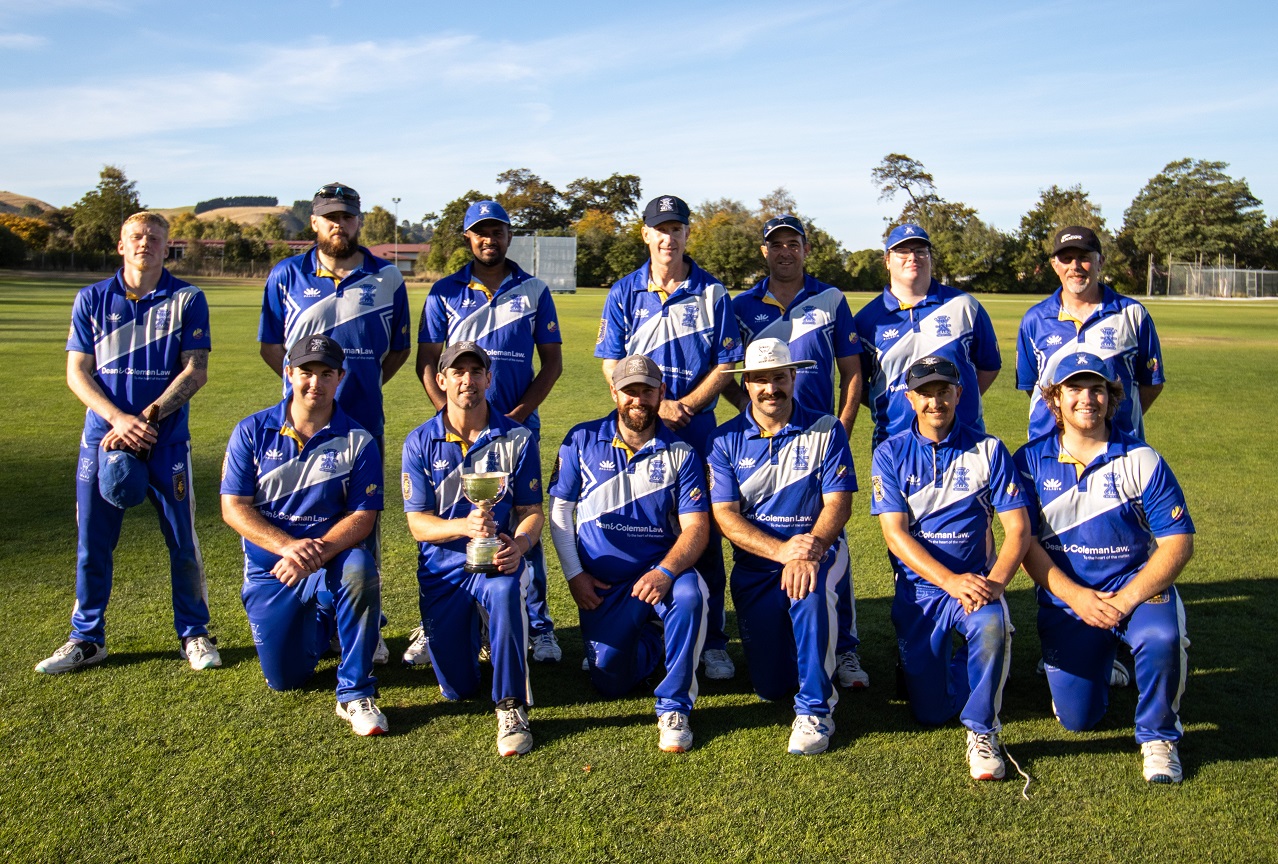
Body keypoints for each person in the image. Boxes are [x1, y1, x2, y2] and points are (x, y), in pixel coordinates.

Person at [37, 211, 219, 675]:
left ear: (167, 246)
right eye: (136, 237)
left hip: (166, 439)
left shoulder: (187, 298)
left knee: (182, 542)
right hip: (103, 440)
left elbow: (195, 369)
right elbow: (77, 371)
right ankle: (87, 638)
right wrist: (119, 419)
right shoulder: (92, 299)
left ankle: (194, 634)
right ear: (121, 245)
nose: (145, 244)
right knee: (92, 543)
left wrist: (147, 418)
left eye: (154, 238)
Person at [1014, 352, 1194, 784]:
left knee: (1161, 636)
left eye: (1097, 388)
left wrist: (1127, 599)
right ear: (1055, 399)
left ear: (1112, 397)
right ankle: (1106, 660)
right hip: (1071, 600)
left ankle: (1158, 737)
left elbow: (1178, 542)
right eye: (1074, 388)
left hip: (1134, 591)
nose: (1086, 398)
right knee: (1078, 719)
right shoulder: (1028, 461)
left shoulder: (1141, 457)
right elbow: (1026, 543)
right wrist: (1076, 596)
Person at [258, 183, 411, 664]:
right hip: (299, 428)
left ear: (358, 221)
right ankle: (314, 616)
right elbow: (271, 348)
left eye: (346, 216)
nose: (338, 225)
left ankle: (369, 627)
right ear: (315, 222)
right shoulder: (285, 274)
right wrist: (306, 393)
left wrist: (359, 387)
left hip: (363, 426)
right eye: (329, 217)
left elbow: (400, 348)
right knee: (305, 516)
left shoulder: (386, 277)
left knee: (363, 529)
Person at [595, 194, 744, 680]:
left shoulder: (713, 292)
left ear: (686, 234)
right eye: (660, 228)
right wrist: (652, 406)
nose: (668, 237)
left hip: (696, 429)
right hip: (640, 426)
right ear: (646, 234)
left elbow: (726, 365)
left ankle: (714, 639)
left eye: (677, 228)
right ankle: (641, 623)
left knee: (705, 528)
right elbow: (611, 362)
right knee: (641, 523)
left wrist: (687, 405)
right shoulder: (624, 292)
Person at [410, 199, 564, 667]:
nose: (488, 239)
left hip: (516, 429)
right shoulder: (443, 292)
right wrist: (449, 416)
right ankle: (442, 616)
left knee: (522, 523)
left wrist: (514, 419)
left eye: (496, 231)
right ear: (467, 237)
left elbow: (552, 364)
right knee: (456, 520)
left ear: (508, 235)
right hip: (457, 431)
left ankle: (537, 625)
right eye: (480, 232)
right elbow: (426, 363)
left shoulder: (534, 289)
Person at [870, 355, 1030, 780]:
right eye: (925, 393)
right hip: (921, 593)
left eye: (944, 391)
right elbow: (895, 536)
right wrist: (949, 580)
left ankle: (983, 730)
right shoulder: (890, 453)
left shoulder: (988, 449)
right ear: (910, 399)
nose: (935, 401)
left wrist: (995, 583)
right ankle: (976, 667)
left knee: (992, 625)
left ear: (960, 394)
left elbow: (1018, 528)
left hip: (976, 586)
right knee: (930, 712)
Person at [727, 213, 869, 691]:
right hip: (766, 438)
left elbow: (852, 372)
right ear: (764, 252)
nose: (785, 251)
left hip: (819, 440)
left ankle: (844, 648)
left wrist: (840, 431)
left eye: (794, 243)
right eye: (776, 244)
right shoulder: (742, 305)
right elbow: (734, 371)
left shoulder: (830, 298)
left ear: (806, 250)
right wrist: (756, 416)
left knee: (829, 541)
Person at [221, 335, 388, 736]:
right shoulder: (252, 431)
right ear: (289, 373)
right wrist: (288, 547)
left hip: (331, 560)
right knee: (285, 679)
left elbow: (363, 517)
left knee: (359, 568)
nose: (316, 383)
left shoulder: (358, 439)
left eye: (326, 374)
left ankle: (355, 691)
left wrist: (316, 553)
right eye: (306, 373)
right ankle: (328, 619)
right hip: (273, 570)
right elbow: (234, 508)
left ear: (340, 378)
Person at [548, 354, 710, 752]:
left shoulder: (682, 452)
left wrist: (667, 572)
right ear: (614, 392)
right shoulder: (581, 440)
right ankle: (653, 636)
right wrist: (574, 575)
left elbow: (697, 527)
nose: (638, 399)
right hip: (603, 584)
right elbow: (560, 513)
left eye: (647, 390)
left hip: (657, 574)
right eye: (630, 390)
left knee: (690, 594)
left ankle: (674, 706)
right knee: (608, 680)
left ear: (661, 393)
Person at [707, 338, 855, 755]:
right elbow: (726, 517)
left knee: (807, 590)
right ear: (746, 385)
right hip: (759, 563)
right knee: (770, 687)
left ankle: (816, 709)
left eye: (779, 377)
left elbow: (838, 503)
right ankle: (819, 654)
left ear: (793, 376)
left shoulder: (826, 428)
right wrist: (781, 552)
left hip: (818, 552)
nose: (770, 388)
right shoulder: (723, 441)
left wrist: (809, 550)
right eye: (759, 380)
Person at [401, 341, 544, 756]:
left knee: (504, 591)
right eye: (457, 372)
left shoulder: (516, 437)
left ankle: (511, 706)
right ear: (441, 380)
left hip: (497, 562)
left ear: (489, 378)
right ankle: (474, 632)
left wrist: (519, 544)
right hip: (443, 569)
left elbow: (532, 510)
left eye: (475, 371)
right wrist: (463, 526)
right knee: (458, 689)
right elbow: (417, 524)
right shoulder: (420, 441)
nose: (467, 380)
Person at [854, 224, 1001, 450]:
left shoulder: (964, 305)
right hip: (894, 442)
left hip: (965, 440)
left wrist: (957, 396)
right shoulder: (866, 320)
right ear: (887, 260)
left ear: (930, 258)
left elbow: (989, 366)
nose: (912, 257)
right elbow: (859, 384)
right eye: (902, 251)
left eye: (920, 250)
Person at [1016, 226, 1165, 442]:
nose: (1075, 266)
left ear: (1100, 261)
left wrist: (1116, 416)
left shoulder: (1132, 314)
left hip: (1118, 446)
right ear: (1054, 265)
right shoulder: (1035, 319)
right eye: (1066, 259)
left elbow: (1152, 383)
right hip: (1048, 447)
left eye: (1083, 258)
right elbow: (1033, 387)